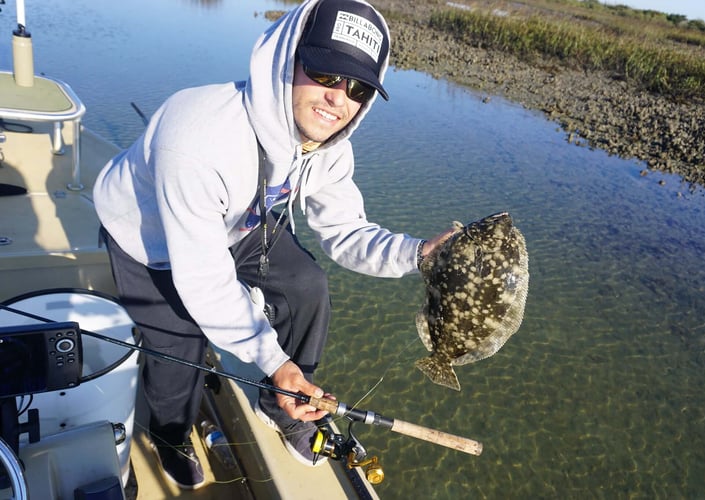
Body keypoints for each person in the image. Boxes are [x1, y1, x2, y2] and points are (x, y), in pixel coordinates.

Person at [94, 0, 451, 490]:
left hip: (240, 221)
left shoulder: (328, 148)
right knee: (181, 343)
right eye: (326, 73)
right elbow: (203, 276)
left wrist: (419, 253)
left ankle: (283, 402)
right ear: (289, 58)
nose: (338, 98)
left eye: (358, 87)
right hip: (151, 237)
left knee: (306, 285)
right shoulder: (198, 139)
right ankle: (171, 432)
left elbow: (345, 231)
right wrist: (272, 356)